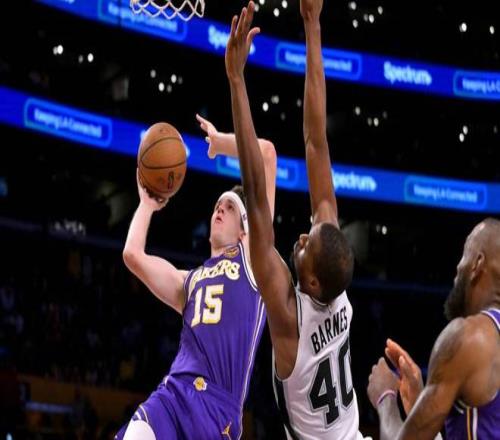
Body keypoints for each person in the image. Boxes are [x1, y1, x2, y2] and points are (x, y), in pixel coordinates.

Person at [225, 2, 364, 439]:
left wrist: (236, 80)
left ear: (314, 282)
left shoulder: (291, 320)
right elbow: (316, 142)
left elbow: (256, 195)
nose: (302, 237)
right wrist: (312, 24)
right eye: (311, 235)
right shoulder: (335, 287)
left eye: (305, 245)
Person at [115, 116, 277, 440]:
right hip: (173, 393)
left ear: (245, 229)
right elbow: (132, 255)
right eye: (218, 205)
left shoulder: (253, 261)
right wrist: (146, 205)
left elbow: (267, 154)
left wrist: (220, 145)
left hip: (216, 409)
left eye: (229, 207)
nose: (219, 209)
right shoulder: (189, 281)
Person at [367, 218, 500, 439]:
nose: (458, 267)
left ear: (477, 264)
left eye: (464, 254)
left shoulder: (469, 337)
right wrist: (420, 403)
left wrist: (385, 397)